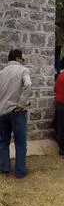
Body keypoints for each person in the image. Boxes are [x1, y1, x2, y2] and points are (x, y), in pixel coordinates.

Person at [0, 50, 32, 178]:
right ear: (19, 58)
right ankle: (19, 171)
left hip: (2, 112)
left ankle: (5, 168)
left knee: (3, 142)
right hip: (17, 111)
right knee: (20, 143)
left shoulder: (1, 73)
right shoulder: (23, 70)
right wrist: (21, 104)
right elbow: (28, 84)